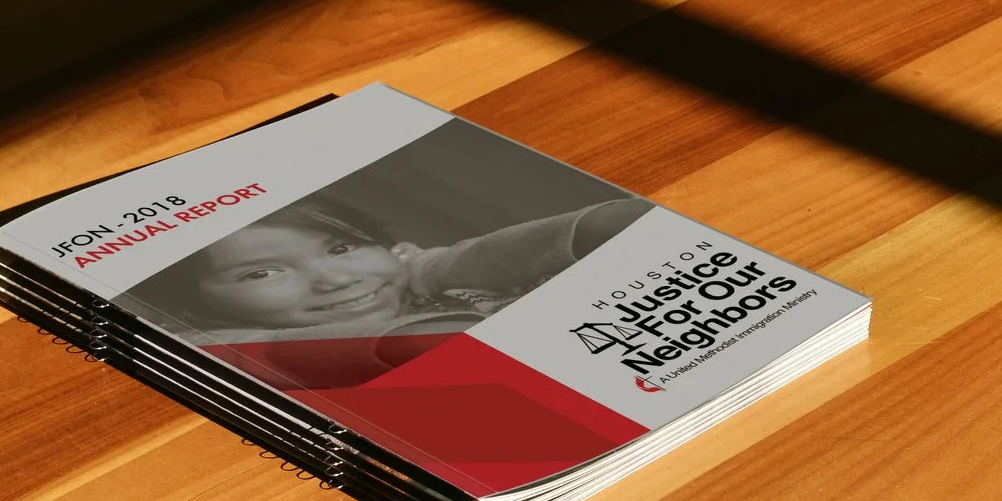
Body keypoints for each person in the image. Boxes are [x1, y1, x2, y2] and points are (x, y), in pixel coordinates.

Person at [144, 195, 649, 345]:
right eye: (260, 274)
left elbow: (615, 223)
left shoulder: (410, 273)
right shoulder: (226, 344)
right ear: (193, 304)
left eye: (342, 248)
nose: (336, 279)